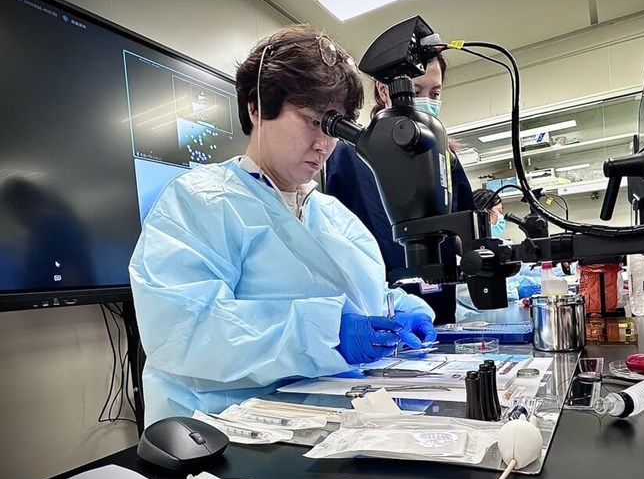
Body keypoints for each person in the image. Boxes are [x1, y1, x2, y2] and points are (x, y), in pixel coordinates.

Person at [129, 26, 437, 426]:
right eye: (312, 121)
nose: (324, 144)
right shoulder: (200, 202)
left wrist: (397, 308)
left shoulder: (334, 216)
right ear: (257, 108)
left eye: (335, 127)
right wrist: (323, 334)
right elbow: (185, 331)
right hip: (224, 433)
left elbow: (361, 298)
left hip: (330, 426)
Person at [325, 54, 474, 325]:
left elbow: (466, 228)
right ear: (385, 91)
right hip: (379, 315)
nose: (427, 100)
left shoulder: (445, 157)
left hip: (439, 308)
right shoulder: (349, 156)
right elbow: (333, 246)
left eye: (435, 92)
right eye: (417, 91)